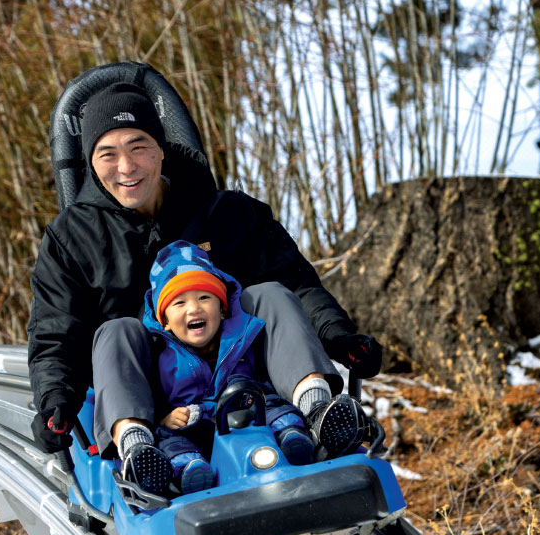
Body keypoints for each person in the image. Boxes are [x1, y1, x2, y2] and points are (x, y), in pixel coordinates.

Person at [28, 78, 381, 495]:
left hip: (250, 381)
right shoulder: (72, 240)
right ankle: (139, 450)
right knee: (116, 330)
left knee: (268, 293)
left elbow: (296, 283)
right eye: (108, 154)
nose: (126, 167)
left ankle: (316, 411)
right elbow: (55, 334)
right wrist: (56, 400)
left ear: (161, 148)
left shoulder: (228, 214)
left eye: (138, 146)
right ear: (91, 163)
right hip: (156, 400)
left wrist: (337, 337)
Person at [144, 240, 364, 493]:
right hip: (197, 431)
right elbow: (156, 400)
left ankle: (298, 433)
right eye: (179, 303)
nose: (194, 308)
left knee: (273, 404)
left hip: (250, 419)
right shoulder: (162, 355)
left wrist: (340, 336)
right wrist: (166, 417)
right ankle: (188, 470)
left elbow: (266, 372)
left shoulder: (242, 337)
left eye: (204, 297)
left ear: (223, 309)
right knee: (170, 440)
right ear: (166, 322)